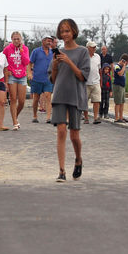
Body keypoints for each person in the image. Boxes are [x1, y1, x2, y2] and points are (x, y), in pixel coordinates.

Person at [49, 18, 89, 182]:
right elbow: (53, 79)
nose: (64, 34)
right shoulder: (57, 53)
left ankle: (78, 159)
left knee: (74, 135)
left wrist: (68, 61)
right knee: (61, 131)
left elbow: (82, 76)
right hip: (59, 95)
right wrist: (56, 65)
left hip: (75, 95)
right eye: (62, 31)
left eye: (67, 31)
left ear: (73, 32)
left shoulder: (83, 52)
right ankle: (61, 171)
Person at [4, 32, 30, 129]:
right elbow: (3, 61)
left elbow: (26, 62)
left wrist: (22, 51)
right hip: (12, 76)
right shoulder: (7, 49)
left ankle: (15, 116)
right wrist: (7, 71)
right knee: (13, 99)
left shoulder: (25, 48)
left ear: (21, 39)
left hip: (22, 76)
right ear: (11, 39)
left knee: (22, 101)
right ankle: (15, 122)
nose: (16, 41)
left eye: (18, 39)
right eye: (14, 39)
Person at [29, 35, 54, 124]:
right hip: (37, 78)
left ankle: (48, 117)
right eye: (48, 41)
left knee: (48, 96)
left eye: (51, 41)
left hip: (48, 79)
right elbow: (30, 63)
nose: (49, 42)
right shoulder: (36, 51)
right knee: (36, 98)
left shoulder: (53, 52)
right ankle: (35, 116)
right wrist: (29, 73)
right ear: (43, 41)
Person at [85, 41, 102, 123]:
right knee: (84, 101)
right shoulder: (83, 57)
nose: (94, 48)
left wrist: (100, 81)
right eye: (92, 47)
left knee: (96, 101)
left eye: (95, 47)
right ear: (88, 48)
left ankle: (95, 118)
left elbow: (99, 69)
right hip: (85, 83)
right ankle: (86, 118)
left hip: (96, 82)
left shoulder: (98, 56)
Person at [113, 53, 128, 123]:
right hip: (117, 86)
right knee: (118, 103)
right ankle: (116, 118)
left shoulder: (122, 67)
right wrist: (124, 66)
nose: (126, 64)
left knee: (122, 102)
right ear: (123, 61)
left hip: (122, 86)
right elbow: (120, 73)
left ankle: (121, 117)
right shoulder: (117, 66)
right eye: (126, 63)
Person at [99, 47, 114, 120]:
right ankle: (100, 113)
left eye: (104, 49)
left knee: (107, 102)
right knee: (101, 102)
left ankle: (106, 113)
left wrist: (111, 91)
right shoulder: (99, 56)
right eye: (102, 49)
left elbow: (112, 64)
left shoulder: (109, 76)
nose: (103, 50)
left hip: (107, 90)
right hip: (102, 89)